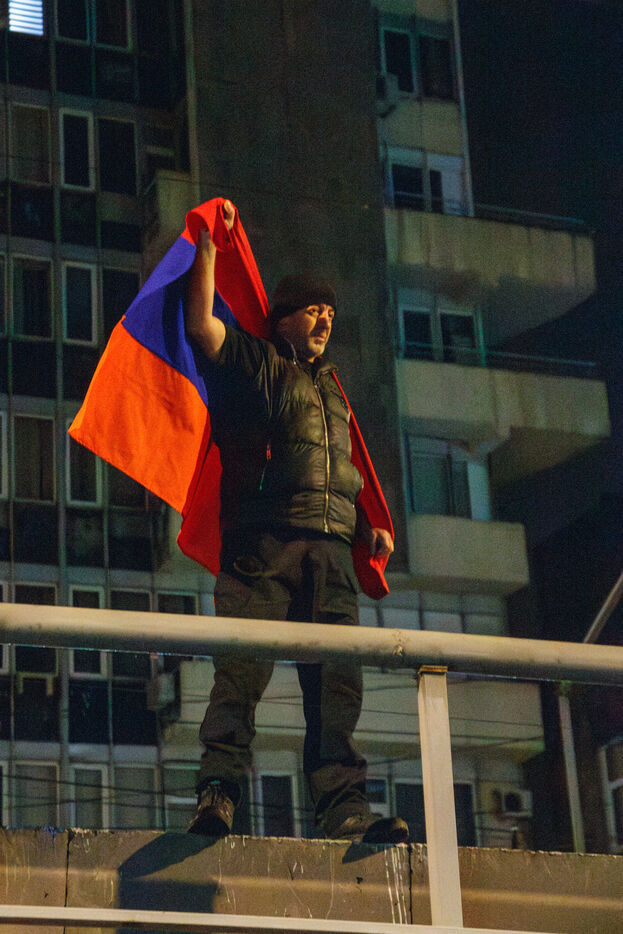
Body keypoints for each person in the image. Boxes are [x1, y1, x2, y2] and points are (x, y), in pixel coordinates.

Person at [185, 200, 408, 844]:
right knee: (241, 673)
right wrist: (207, 245)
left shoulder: (333, 389)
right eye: (313, 310)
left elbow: (340, 467)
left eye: (330, 314)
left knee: (338, 687)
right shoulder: (256, 363)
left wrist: (366, 527)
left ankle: (344, 811)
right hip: (263, 544)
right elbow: (201, 327)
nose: (325, 321)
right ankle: (218, 796)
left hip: (332, 554)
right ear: (283, 316)